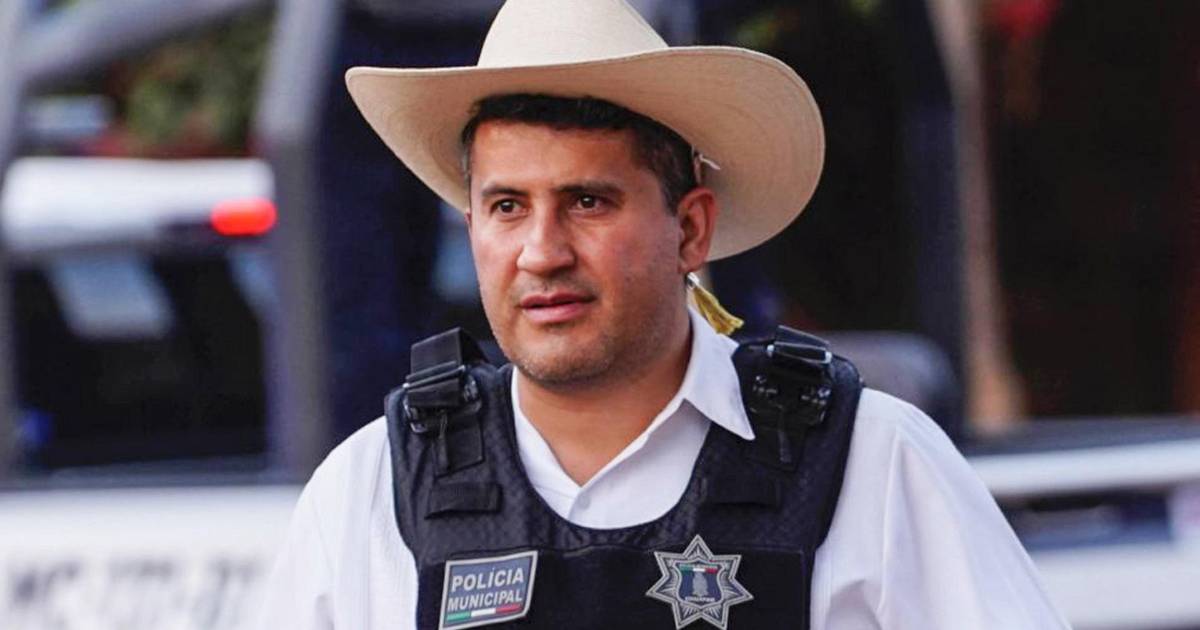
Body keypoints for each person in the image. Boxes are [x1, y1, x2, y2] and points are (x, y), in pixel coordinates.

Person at [258, 0, 1069, 628]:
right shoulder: (368, 493)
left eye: (587, 201)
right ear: (472, 228)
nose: (541, 252)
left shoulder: (873, 464)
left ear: (691, 229)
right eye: (507, 207)